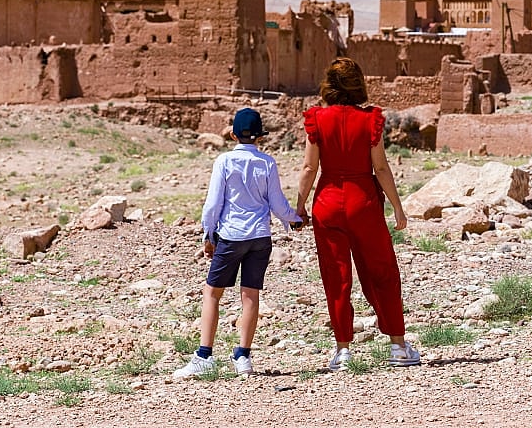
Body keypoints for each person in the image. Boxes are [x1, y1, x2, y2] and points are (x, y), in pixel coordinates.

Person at [295, 57, 420, 371]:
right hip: (363, 201)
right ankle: (397, 346)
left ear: (329, 86)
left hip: (327, 201)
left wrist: (299, 206)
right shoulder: (370, 119)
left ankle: (344, 350)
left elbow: (310, 167)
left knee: (336, 278)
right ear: (358, 85)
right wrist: (397, 206)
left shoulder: (316, 118)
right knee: (382, 272)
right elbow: (380, 167)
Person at [173, 108, 304, 379]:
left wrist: (208, 235)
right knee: (251, 296)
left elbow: (212, 205)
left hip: (231, 236)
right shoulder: (267, 162)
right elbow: (277, 202)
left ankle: (204, 356)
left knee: (212, 294)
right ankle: (243, 357)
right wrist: (294, 219)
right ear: (260, 137)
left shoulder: (224, 161)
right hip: (259, 236)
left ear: (233, 134)